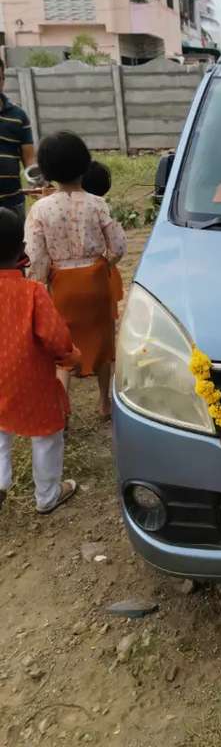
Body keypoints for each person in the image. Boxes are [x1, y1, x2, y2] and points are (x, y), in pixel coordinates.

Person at [25, 132, 126, 419]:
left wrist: (41, 282)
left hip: (63, 286)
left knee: (63, 350)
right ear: (84, 164)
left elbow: (35, 254)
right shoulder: (97, 204)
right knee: (104, 343)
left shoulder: (40, 209)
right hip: (96, 281)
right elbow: (118, 245)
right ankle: (105, 403)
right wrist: (106, 262)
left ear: (45, 171)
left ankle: (61, 408)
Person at [0, 207, 79, 513]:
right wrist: (71, 356)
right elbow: (56, 338)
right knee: (47, 433)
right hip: (30, 379)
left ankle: (1, 481)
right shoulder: (32, 292)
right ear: (21, 249)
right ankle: (47, 496)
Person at [81, 161, 123, 319]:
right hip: (101, 273)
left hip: (66, 280)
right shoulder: (102, 208)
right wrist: (108, 264)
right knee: (106, 320)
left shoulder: (60, 208)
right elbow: (118, 247)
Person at [0, 57, 35, 222]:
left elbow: (29, 157)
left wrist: (36, 182)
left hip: (13, 202)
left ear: (3, 80)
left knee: (17, 247)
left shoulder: (18, 116)